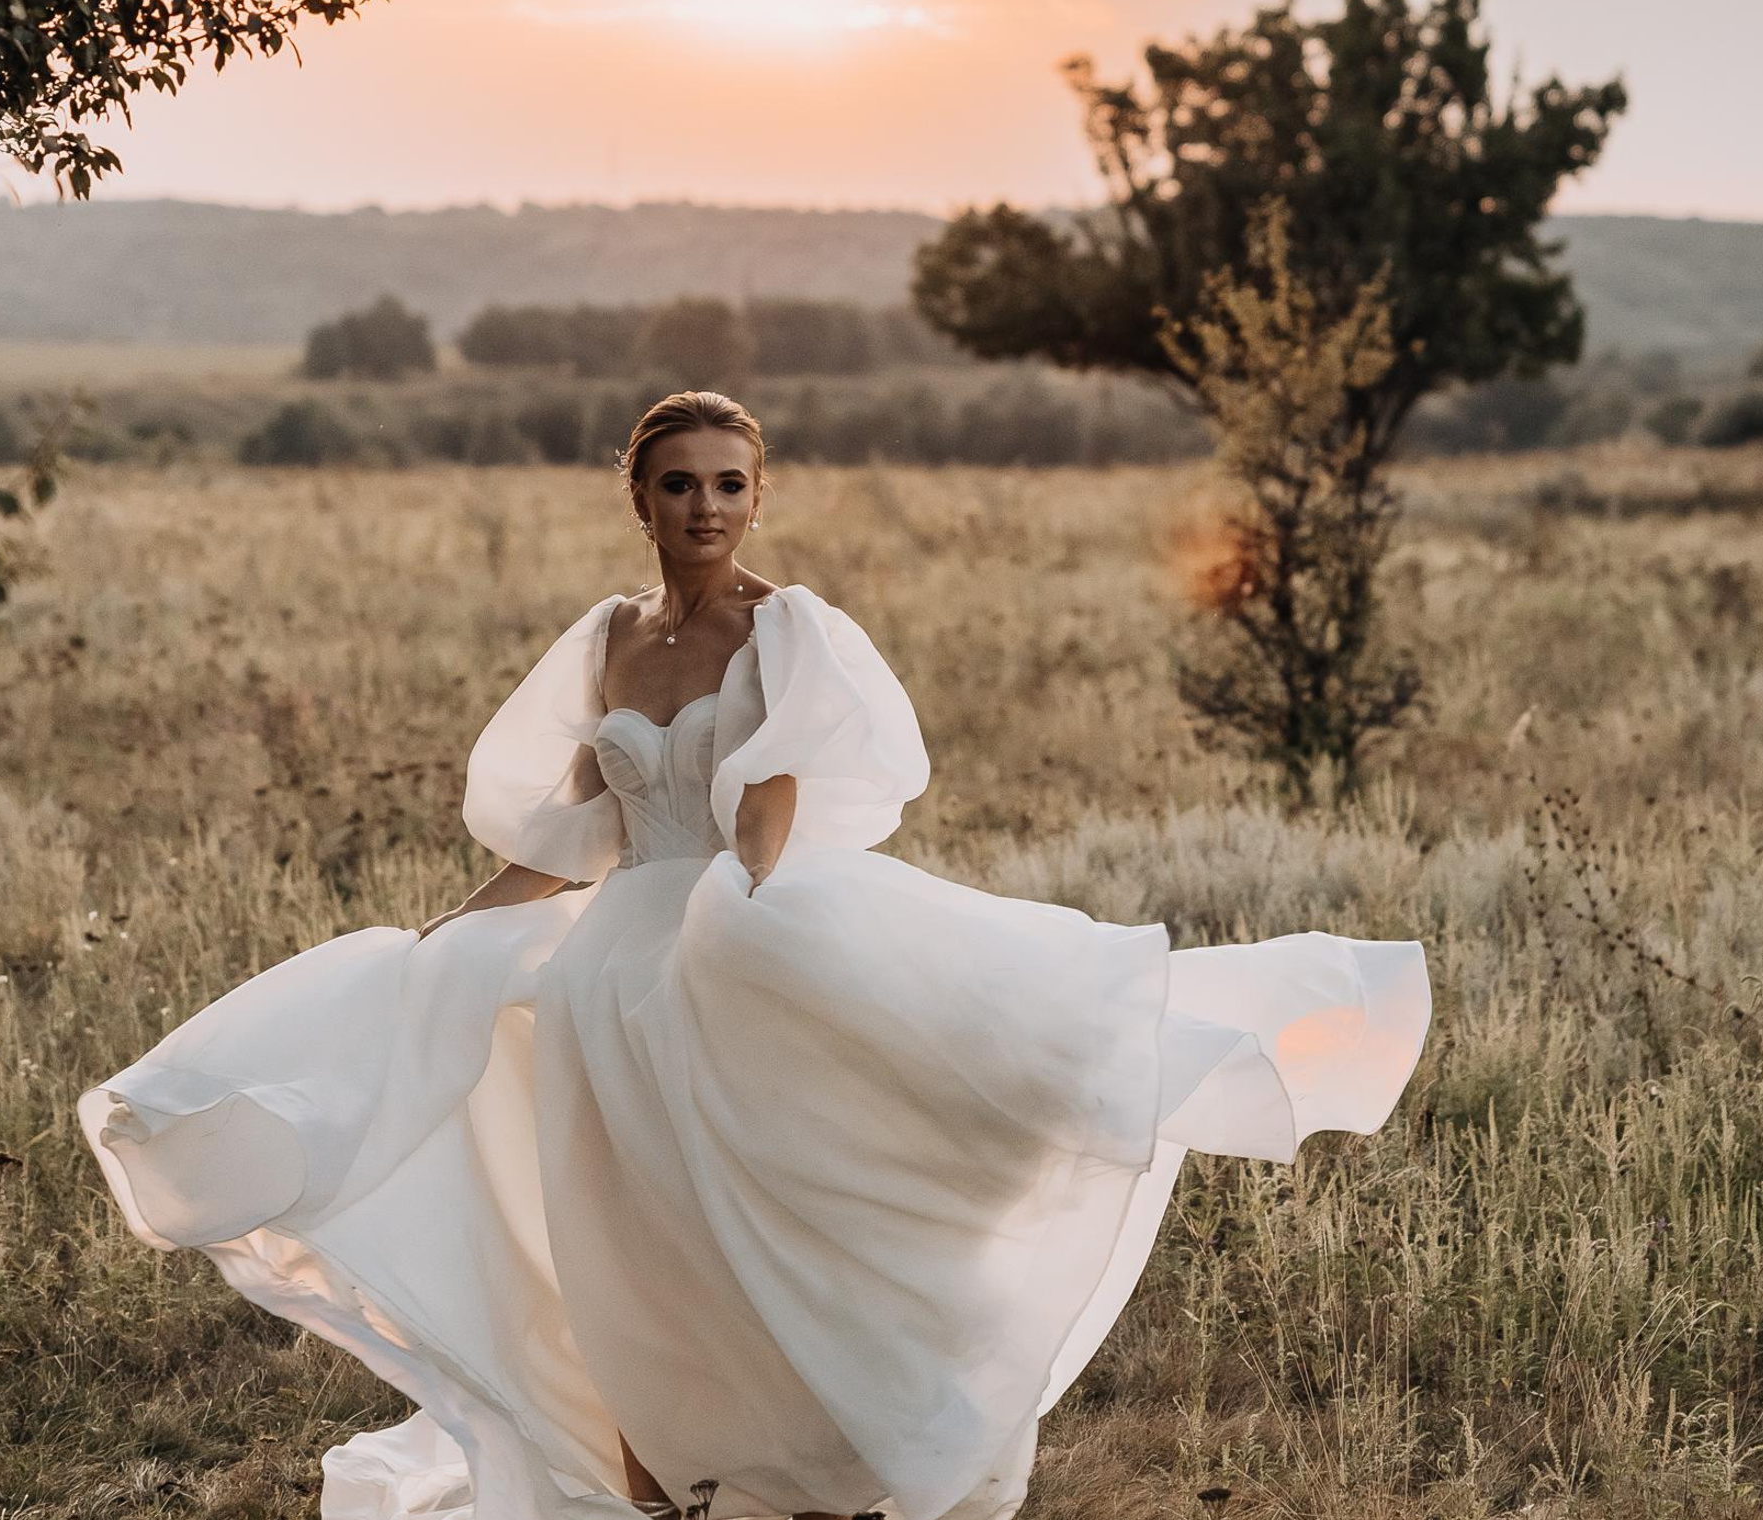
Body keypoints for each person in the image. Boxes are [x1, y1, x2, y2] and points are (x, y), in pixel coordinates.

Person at [79, 390, 1431, 1520]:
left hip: (723, 958)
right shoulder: (610, 640)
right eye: (679, 486)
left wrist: (762, 932)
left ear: (758, 499)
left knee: (739, 1236)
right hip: (605, 979)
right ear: (642, 502)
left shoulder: (785, 634)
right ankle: (660, 1486)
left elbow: (767, 825)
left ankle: (804, 1469)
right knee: (618, 1250)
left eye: (730, 485)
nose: (707, 509)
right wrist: (448, 931)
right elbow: (576, 836)